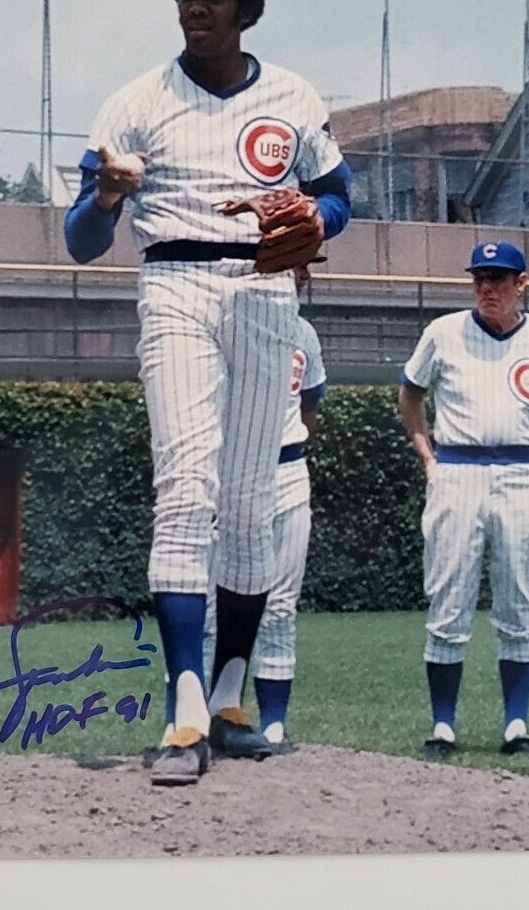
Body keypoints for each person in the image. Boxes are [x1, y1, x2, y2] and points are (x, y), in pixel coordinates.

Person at [64, 0, 351, 786]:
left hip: (265, 287)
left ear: (246, 9)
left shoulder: (293, 97)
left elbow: (340, 194)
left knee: (252, 502)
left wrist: (321, 221)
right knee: (186, 489)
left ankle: (230, 695)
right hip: (176, 284)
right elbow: (82, 242)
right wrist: (110, 192)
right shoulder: (134, 103)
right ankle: (184, 707)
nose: (196, 4)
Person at [398, 241, 529, 759]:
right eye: (480, 278)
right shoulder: (444, 332)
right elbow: (410, 394)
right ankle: (443, 726)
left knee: (519, 602)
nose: (488, 288)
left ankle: (516, 725)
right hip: (457, 469)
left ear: (521, 285)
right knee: (447, 602)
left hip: (522, 472)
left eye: (499, 279)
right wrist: (427, 456)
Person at [197, 275, 326, 753]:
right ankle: (202, 715)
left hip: (289, 469)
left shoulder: (304, 334)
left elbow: (310, 402)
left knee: (279, 603)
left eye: (302, 270)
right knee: (213, 604)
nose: (297, 277)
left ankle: (272, 723)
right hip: (230, 470)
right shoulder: (223, 324)